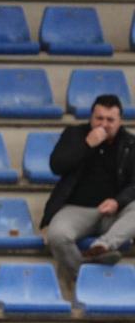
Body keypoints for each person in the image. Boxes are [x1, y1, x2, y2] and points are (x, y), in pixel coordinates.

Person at [43, 94, 135, 295]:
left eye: (110, 120)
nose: (104, 124)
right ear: (91, 118)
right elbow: (56, 165)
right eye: (99, 118)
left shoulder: (130, 143)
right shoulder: (75, 134)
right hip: (77, 209)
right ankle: (87, 275)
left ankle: (103, 246)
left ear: (120, 121)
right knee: (57, 235)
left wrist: (118, 202)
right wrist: (86, 145)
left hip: (114, 214)